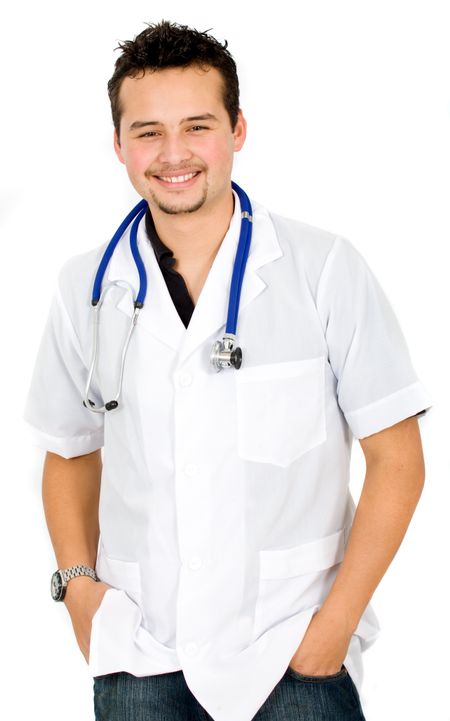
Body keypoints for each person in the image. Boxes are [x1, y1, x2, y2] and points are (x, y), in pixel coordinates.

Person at [24, 19, 432, 721]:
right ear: (118, 144)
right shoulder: (86, 285)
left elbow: (397, 458)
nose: (173, 153)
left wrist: (334, 626)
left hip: (291, 647)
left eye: (198, 126)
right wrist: (78, 587)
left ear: (238, 130)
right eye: (147, 131)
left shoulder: (323, 268)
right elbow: (69, 451)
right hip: (140, 651)